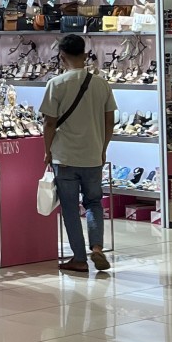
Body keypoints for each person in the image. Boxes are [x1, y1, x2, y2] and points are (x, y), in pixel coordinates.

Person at [40, 35, 117, 273]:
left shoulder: (56, 84)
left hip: (65, 157)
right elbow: (110, 120)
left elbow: (49, 123)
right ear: (85, 55)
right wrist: (103, 148)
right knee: (94, 203)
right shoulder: (101, 84)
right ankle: (97, 248)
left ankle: (79, 258)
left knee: (70, 207)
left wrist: (47, 151)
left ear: (62, 57)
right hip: (93, 155)